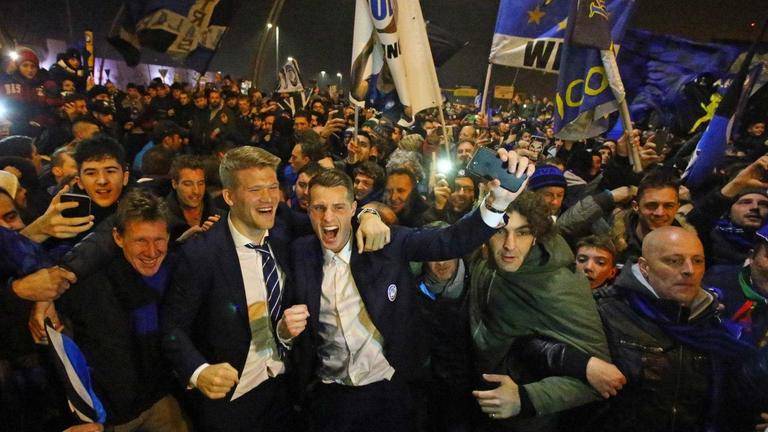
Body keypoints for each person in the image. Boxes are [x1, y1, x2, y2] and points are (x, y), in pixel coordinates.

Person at [288, 149, 534, 432]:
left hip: (390, 391)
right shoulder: (299, 252)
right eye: (319, 208)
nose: (328, 216)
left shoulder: (386, 244)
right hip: (330, 397)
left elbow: (449, 242)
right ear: (307, 208)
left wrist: (497, 203)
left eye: (338, 207)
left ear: (353, 208)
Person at [161, 146, 389, 432]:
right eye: (256, 189)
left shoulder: (283, 233)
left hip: (286, 393)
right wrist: (199, 371)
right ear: (229, 196)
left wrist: (369, 213)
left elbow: (332, 215)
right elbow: (172, 326)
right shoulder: (201, 254)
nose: (268, 197)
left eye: (272, 187)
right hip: (231, 401)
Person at [468, 191, 617, 431]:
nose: (510, 245)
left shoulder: (559, 282)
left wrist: (527, 398)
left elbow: (603, 380)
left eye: (523, 232)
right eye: (499, 230)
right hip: (478, 401)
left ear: (536, 235)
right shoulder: (485, 259)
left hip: (524, 421)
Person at [592, 227, 755, 431]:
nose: (689, 270)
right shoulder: (606, 313)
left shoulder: (711, 327)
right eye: (674, 261)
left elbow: (732, 399)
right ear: (644, 267)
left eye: (697, 261)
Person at [56, 189, 190, 431]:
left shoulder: (177, 270)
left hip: (161, 402)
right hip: (108, 419)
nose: (151, 252)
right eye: (140, 240)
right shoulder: (85, 284)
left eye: (158, 240)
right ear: (117, 238)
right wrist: (44, 300)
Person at [165, 155, 222, 242]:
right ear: (174, 184)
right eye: (188, 184)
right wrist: (181, 241)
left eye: (200, 183)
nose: (196, 191)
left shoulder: (222, 216)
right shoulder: (161, 219)